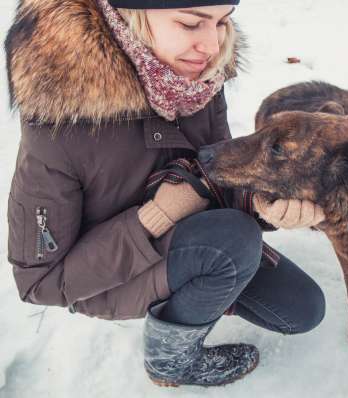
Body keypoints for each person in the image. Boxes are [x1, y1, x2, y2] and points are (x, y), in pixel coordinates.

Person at [4, 0, 326, 387]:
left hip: (204, 240)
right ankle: (172, 362)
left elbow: (218, 174)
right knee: (233, 242)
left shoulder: (198, 80)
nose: (211, 45)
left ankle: (204, 280)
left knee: (301, 309)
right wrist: (153, 217)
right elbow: (41, 283)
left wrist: (261, 203)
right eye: (191, 23)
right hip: (103, 277)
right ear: (132, 17)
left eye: (223, 22)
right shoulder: (59, 127)